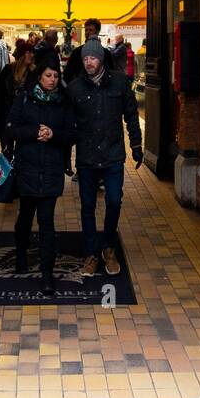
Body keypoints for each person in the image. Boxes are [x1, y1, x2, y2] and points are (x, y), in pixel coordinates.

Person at [66, 37, 143, 276]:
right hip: (87, 157)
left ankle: (108, 246)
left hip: (112, 155)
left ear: (101, 59)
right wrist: (66, 158)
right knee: (87, 206)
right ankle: (91, 252)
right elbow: (69, 125)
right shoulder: (75, 88)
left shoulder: (119, 83)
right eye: (86, 58)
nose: (89, 62)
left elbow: (131, 114)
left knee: (113, 200)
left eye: (93, 58)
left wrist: (136, 144)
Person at [5, 53, 76, 295]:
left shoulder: (63, 102)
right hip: (28, 167)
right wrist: (34, 132)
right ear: (39, 77)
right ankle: (21, 254)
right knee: (25, 217)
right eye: (48, 75)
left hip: (52, 170)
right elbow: (11, 128)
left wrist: (53, 134)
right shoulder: (25, 99)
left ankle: (47, 275)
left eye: (56, 76)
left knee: (47, 224)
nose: (53, 80)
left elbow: (71, 135)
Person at [0, 38, 37, 154]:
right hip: (8, 112)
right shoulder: (8, 69)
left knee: (23, 148)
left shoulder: (34, 72)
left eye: (32, 52)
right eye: (27, 52)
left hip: (25, 114)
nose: (31, 55)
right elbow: (0, 91)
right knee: (7, 148)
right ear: (21, 55)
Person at [63, 17, 113, 86]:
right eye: (86, 30)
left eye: (90, 30)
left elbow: (111, 73)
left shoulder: (106, 53)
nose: (87, 33)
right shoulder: (77, 52)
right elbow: (68, 74)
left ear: (97, 32)